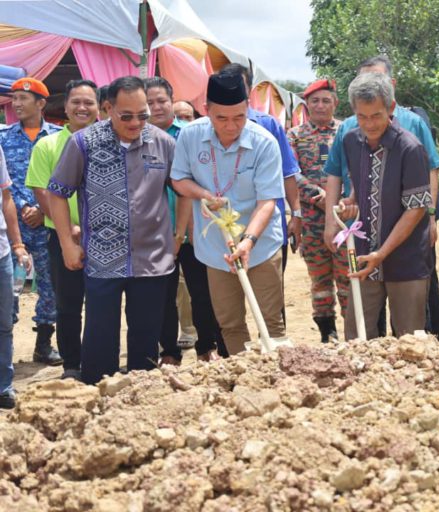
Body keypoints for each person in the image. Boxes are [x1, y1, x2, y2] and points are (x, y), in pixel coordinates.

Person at [47, 76, 176, 385]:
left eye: (142, 115)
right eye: (126, 116)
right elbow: (57, 192)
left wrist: (179, 233)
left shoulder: (163, 142)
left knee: (146, 341)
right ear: (107, 109)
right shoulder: (83, 143)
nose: (136, 123)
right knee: (100, 339)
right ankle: (99, 399)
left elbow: (182, 189)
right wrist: (67, 243)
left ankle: (140, 400)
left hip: (152, 259)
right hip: (103, 260)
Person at [323, 55, 439, 338]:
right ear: (353, 112)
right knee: (358, 336)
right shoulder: (351, 140)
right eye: (362, 116)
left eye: (376, 115)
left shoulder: (410, 148)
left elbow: (415, 210)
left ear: (390, 108)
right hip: (364, 256)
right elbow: (359, 186)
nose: (370, 124)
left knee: (409, 341)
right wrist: (350, 201)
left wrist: (382, 253)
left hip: (405, 261)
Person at [171, 72, 286, 355]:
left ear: (248, 108)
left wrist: (248, 241)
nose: (231, 126)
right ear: (206, 109)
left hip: (260, 246)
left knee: (270, 320)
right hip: (216, 249)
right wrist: (204, 195)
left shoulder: (264, 142)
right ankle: (242, 373)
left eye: (239, 117)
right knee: (230, 322)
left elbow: (267, 201)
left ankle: (279, 379)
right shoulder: (190, 135)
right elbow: (179, 179)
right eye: (221, 118)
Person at [145, 77, 225, 364]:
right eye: (150, 102)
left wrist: (183, 233)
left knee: (202, 292)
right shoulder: (138, 138)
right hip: (155, 233)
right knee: (163, 296)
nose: (156, 107)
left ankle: (207, 346)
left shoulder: (190, 134)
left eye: (161, 101)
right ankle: (168, 351)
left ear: (171, 100)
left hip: (196, 230)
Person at [25, 79, 98, 380]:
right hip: (62, 236)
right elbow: (42, 191)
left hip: (104, 238)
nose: (82, 107)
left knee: (102, 302)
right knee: (68, 304)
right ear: (65, 107)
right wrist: (68, 228)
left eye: (89, 102)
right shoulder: (48, 144)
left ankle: (98, 360)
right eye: (76, 102)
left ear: (99, 107)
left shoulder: (109, 141)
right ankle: (72, 364)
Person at [220, 63, 302, 307]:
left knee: (271, 304)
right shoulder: (206, 129)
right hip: (223, 232)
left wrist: (296, 214)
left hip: (268, 231)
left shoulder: (269, 125)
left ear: (249, 91)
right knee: (228, 306)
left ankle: (275, 346)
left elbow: (288, 173)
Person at [0, 77, 62, 365]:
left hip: (49, 221)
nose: (17, 104)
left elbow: (62, 179)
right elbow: (5, 185)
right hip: (14, 226)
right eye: (14, 99)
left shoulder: (59, 137)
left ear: (41, 103)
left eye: (24, 99)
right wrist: (26, 206)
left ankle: (44, 343)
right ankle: (6, 347)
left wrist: (41, 208)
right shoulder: (3, 138)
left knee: (51, 284)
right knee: (8, 288)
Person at [287, 78, 349, 343]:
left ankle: (355, 331)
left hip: (345, 219)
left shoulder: (348, 131)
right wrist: (319, 197)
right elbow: (291, 174)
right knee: (320, 279)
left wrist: (340, 199)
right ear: (306, 104)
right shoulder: (295, 136)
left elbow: (357, 170)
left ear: (335, 103)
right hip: (312, 223)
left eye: (326, 100)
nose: (321, 106)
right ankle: (328, 333)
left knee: (348, 277)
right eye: (315, 101)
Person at [0, 146, 31, 409]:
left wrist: (18, 243)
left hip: (1, 253)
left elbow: (6, 197)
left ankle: (3, 386)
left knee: (4, 322)